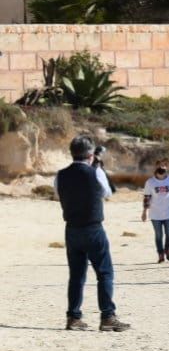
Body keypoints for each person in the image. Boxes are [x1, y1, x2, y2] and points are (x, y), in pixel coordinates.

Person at [55, 135, 128, 332]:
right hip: (93, 228)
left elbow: (58, 194)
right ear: (90, 155)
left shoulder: (60, 175)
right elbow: (108, 193)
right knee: (104, 273)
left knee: (76, 275)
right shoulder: (95, 172)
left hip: (71, 228)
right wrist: (98, 168)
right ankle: (107, 316)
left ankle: (73, 317)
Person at [141, 159, 169, 262]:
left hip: (168, 213)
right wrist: (144, 212)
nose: (161, 168)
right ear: (156, 168)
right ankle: (160, 254)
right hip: (155, 214)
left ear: (166, 168)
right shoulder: (150, 182)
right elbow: (147, 197)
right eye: (159, 166)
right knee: (158, 235)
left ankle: (167, 249)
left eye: (164, 166)